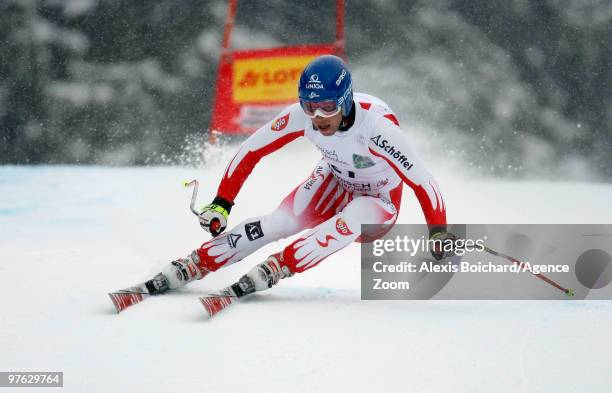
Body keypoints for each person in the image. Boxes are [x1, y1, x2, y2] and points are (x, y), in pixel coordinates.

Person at [144, 55, 449, 299]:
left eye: (327, 107)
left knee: (350, 218)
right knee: (280, 222)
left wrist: (437, 231)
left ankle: (280, 266)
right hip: (335, 179)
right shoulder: (303, 116)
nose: (317, 118)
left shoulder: (378, 129)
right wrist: (222, 203)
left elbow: (424, 181)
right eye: (309, 106)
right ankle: (197, 262)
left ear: (345, 100)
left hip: (378, 202)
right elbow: (250, 150)